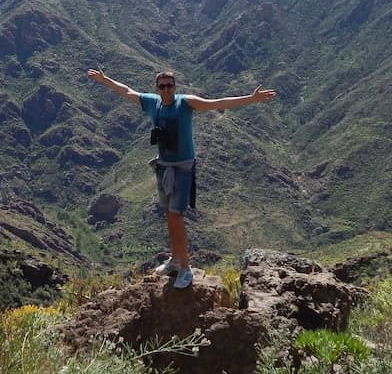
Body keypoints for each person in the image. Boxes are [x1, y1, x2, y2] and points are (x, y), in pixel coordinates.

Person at [87, 68, 276, 289]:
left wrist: (251, 98)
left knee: (176, 216)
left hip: (183, 167)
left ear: (175, 87)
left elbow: (217, 103)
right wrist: (104, 80)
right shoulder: (153, 103)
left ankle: (185, 268)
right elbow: (127, 91)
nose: (166, 89)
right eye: (162, 86)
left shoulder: (185, 103)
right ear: (157, 88)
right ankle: (175, 259)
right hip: (163, 166)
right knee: (169, 214)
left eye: (170, 85)